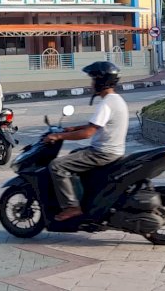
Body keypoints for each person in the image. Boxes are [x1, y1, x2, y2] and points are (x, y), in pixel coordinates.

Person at [44, 61, 128, 221]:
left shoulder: (107, 103)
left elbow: (88, 133)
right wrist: (73, 128)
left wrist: (58, 136)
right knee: (75, 154)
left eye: (93, 79)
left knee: (57, 165)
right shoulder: (115, 100)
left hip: (102, 153)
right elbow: (96, 124)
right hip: (113, 151)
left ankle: (72, 206)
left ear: (101, 81)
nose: (91, 83)